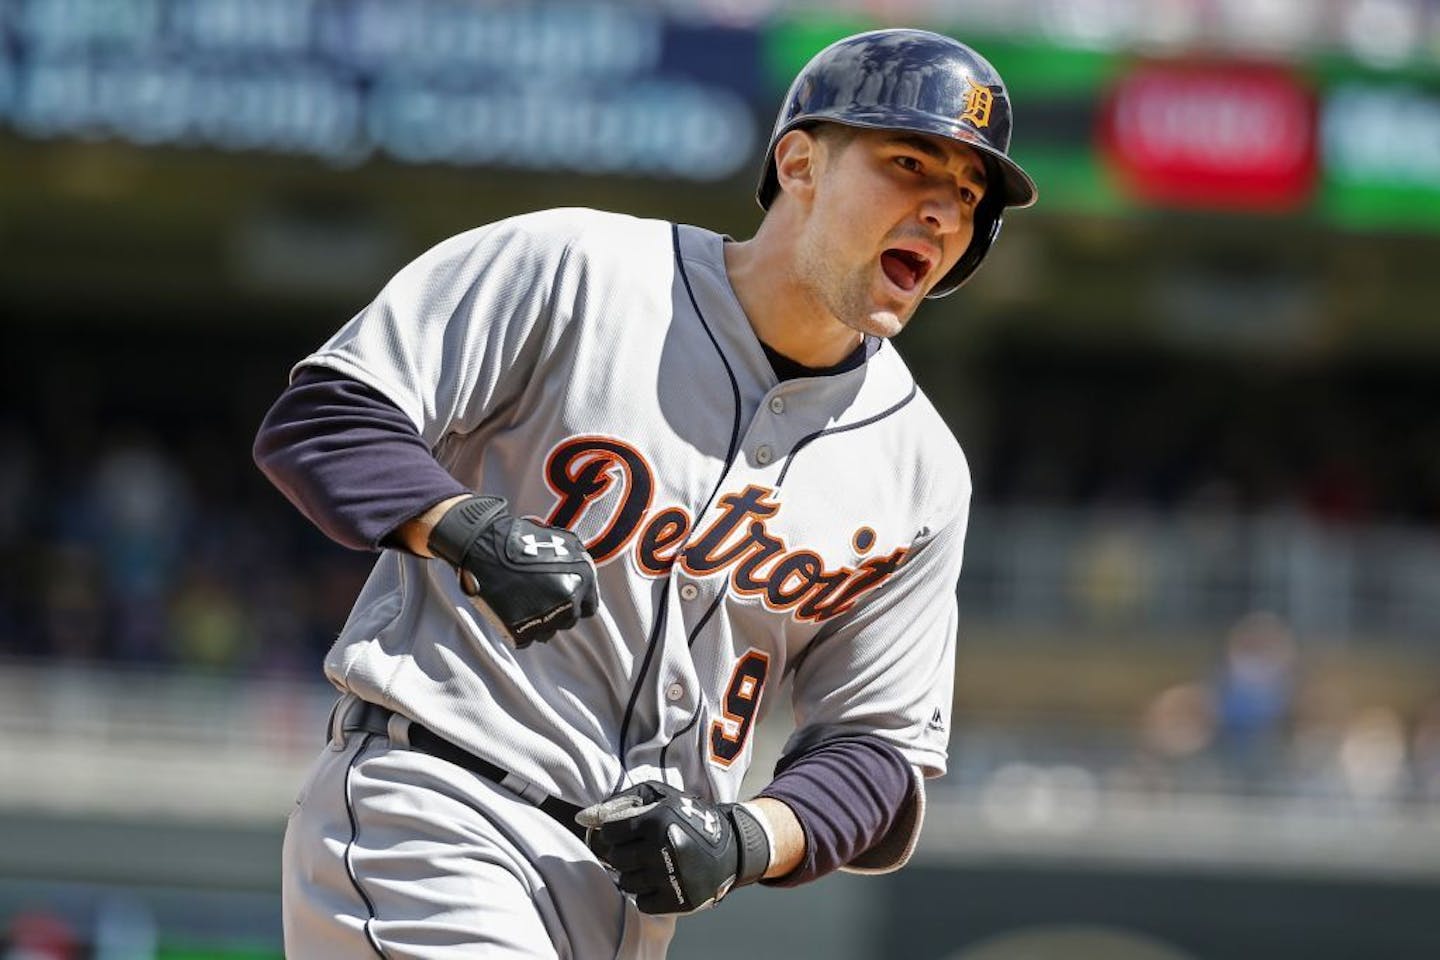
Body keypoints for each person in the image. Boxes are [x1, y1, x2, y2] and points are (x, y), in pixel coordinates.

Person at [254, 27, 1036, 959]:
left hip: (630, 905)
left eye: (967, 193)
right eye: (910, 163)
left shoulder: (922, 468)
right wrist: (464, 529)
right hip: (436, 807)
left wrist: (745, 839)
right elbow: (328, 416)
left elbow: (876, 754)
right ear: (800, 163)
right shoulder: (579, 269)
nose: (942, 210)